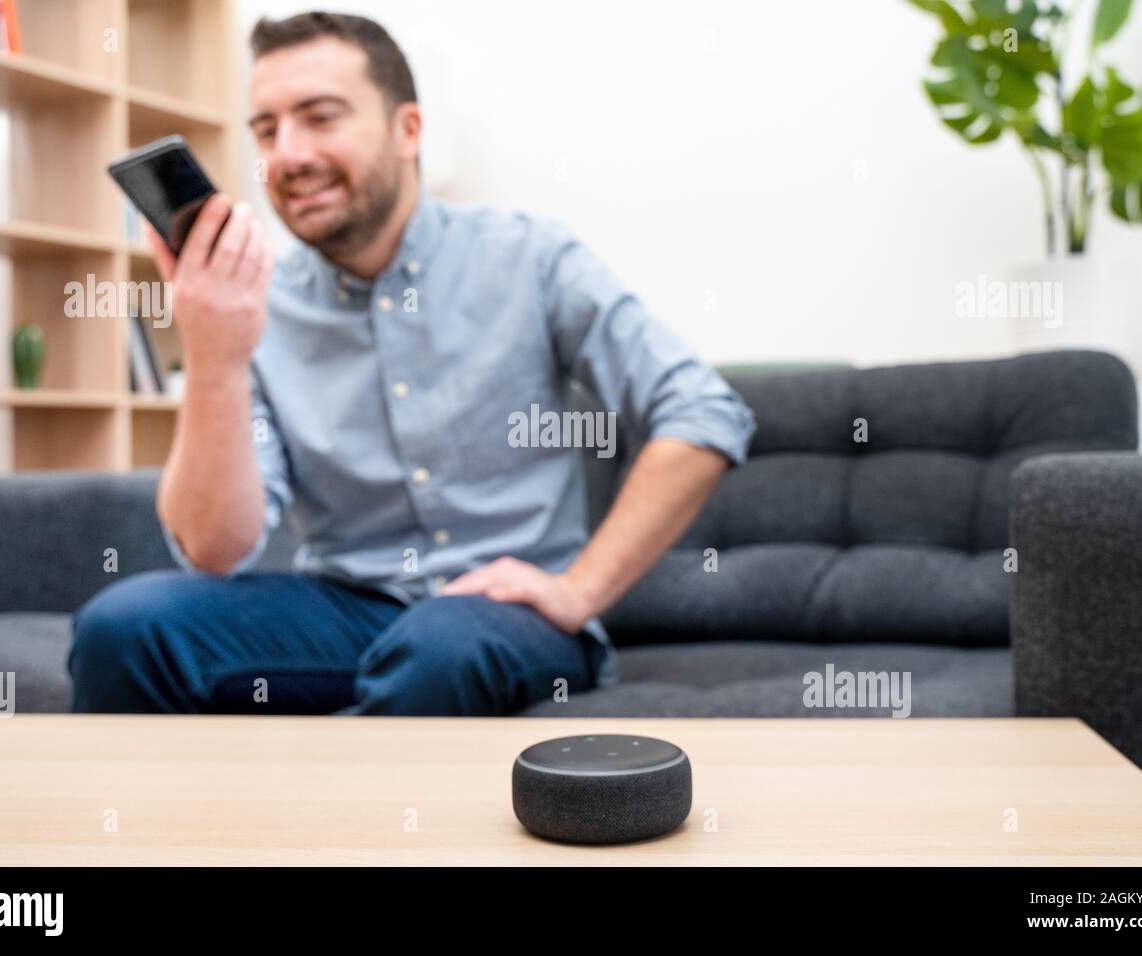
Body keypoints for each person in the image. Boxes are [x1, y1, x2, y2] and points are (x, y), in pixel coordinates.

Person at [68, 11, 755, 716]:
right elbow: (216, 550)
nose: (289, 154)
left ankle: (321, 822)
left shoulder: (530, 258)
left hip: (507, 616)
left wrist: (577, 592)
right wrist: (215, 356)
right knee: (124, 628)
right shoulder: (256, 306)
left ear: (409, 131)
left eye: (321, 117)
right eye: (267, 131)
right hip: (346, 609)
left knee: (437, 650)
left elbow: (704, 410)